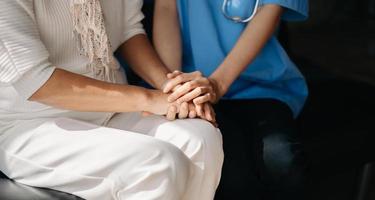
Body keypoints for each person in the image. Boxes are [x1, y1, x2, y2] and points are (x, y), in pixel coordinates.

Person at [0, 0, 223, 199]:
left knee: (201, 139)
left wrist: (173, 90)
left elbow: (128, 30)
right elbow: (36, 81)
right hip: (29, 123)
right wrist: (148, 99)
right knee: (155, 163)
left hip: (111, 111)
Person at [153, 0, 309, 199]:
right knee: (230, 174)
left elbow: (272, 9)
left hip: (259, 84)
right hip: (189, 87)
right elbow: (166, 8)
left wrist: (217, 84)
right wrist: (176, 88)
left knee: (281, 162)